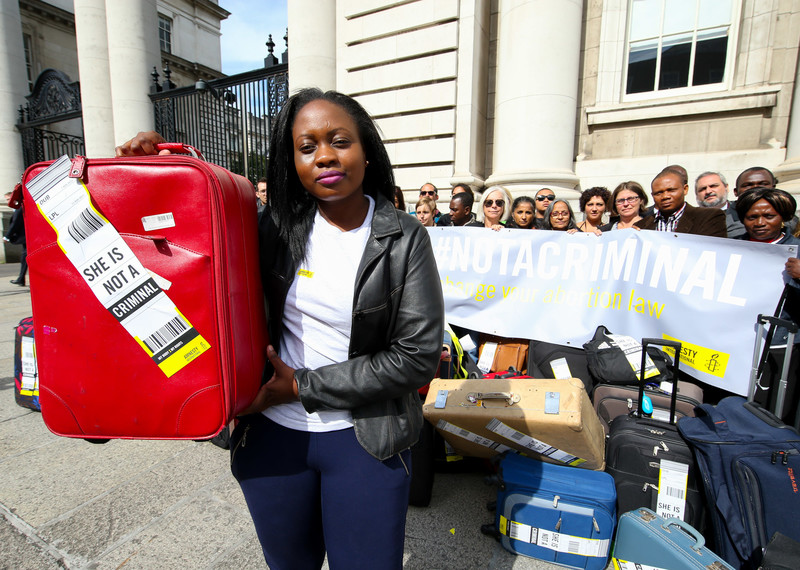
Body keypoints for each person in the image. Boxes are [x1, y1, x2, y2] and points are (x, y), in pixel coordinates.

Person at [115, 88, 444, 569]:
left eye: (339, 141)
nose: (324, 156)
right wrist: (155, 172)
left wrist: (300, 386)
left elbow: (415, 358)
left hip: (366, 438)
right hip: (273, 435)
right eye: (307, 147)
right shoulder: (272, 227)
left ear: (367, 152)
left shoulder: (404, 236)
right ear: (293, 163)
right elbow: (184, 242)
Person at [735, 187, 800, 422]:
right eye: (752, 217)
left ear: (783, 218)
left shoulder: (797, 250)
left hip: (781, 348)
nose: (760, 223)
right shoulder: (731, 247)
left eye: (769, 216)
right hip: (738, 343)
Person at [636, 168, 727, 237]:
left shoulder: (709, 218)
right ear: (652, 195)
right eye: (658, 193)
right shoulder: (640, 227)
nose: (665, 196)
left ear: (685, 189)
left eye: (671, 190)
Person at [695, 171, 745, 238]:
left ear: (726, 187)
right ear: (696, 194)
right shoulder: (690, 218)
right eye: (703, 189)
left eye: (713, 186)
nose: (708, 191)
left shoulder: (742, 210)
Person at [4, 203, 27, 286]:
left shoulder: (19, 208)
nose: (8, 201)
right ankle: (21, 279)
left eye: (8, 199)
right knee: (24, 258)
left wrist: (7, 236)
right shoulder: (20, 207)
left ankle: (21, 279)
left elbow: (15, 223)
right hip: (26, 237)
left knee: (25, 258)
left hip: (26, 237)